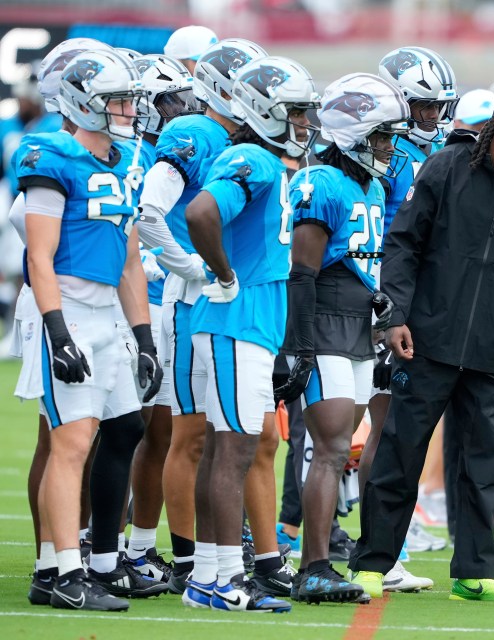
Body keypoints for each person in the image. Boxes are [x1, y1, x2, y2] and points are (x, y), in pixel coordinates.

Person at [348, 81, 494, 603]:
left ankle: (473, 574)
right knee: (401, 455)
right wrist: (395, 316)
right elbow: (402, 244)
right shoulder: (446, 168)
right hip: (427, 342)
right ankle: (373, 564)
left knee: (481, 465)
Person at [15, 48, 162, 611]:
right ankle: (62, 573)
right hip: (68, 308)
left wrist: (143, 338)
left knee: (124, 430)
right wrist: (57, 332)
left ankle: (103, 562)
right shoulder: (52, 157)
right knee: (71, 442)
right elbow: (40, 257)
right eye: (117, 101)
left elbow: (129, 263)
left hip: (107, 314)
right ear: (81, 103)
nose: (128, 110)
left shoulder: (125, 162)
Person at [133, 38, 275, 597]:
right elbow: (149, 213)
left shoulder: (249, 142)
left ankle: (226, 554)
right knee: (191, 435)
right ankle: (191, 557)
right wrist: (191, 265)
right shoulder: (194, 132)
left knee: (237, 433)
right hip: (194, 298)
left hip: (232, 300)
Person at [183, 55, 319, 612]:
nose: (305, 123)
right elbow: (201, 213)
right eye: (296, 112)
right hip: (236, 322)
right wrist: (222, 273)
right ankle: (221, 579)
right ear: (264, 111)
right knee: (234, 449)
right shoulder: (253, 158)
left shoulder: (266, 160)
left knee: (225, 446)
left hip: (248, 324)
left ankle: (207, 575)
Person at [274, 71, 412, 603]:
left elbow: (361, 262)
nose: (389, 146)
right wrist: (300, 347)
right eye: (381, 135)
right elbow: (303, 272)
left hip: (357, 324)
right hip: (325, 322)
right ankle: (313, 566)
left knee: (340, 446)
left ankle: (326, 560)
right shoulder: (321, 183)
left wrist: (379, 306)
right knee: (330, 447)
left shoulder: (371, 185)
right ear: (353, 134)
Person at [363, 45, 459, 558]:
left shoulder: (435, 150)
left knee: (399, 429)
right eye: (422, 105)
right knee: (373, 429)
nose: (432, 115)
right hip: (381, 299)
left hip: (419, 300)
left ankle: (386, 542)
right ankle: (371, 544)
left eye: (438, 105)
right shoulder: (383, 153)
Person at [125, 53, 203, 582]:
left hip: (167, 301)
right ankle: (102, 545)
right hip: (139, 303)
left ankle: (137, 547)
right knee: (121, 432)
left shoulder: (178, 148)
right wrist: (165, 261)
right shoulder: (133, 157)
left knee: (162, 431)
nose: (183, 108)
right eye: (172, 100)